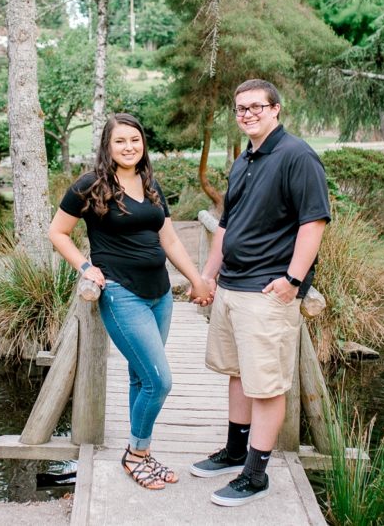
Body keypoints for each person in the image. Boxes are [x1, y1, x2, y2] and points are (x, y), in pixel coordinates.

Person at [49, 113, 213, 491]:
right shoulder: (90, 185)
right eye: (120, 141)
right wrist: (85, 266)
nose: (129, 147)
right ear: (108, 145)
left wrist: (196, 279)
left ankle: (143, 451)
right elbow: (57, 232)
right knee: (160, 381)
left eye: (135, 140)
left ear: (143, 144)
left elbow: (169, 240)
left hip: (160, 294)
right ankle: (136, 456)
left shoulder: (149, 182)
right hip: (122, 294)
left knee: (141, 376)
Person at [190, 79, 331, 507]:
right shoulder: (244, 160)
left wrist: (292, 281)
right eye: (240, 109)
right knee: (237, 373)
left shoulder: (297, 156)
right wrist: (208, 277)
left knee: (266, 385)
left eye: (255, 107)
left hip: (267, 291)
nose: (247, 114)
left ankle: (255, 474)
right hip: (231, 286)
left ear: (275, 109)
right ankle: (235, 451)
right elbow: (226, 225)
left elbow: (314, 223)